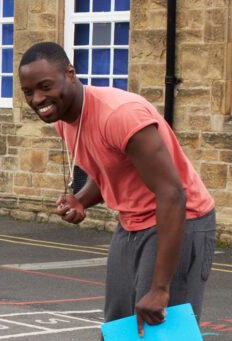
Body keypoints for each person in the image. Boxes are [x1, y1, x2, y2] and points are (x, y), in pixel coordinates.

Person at [18, 41, 217, 335]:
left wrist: (161, 288)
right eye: (28, 92)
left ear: (70, 74)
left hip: (180, 219)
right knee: (119, 327)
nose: (37, 99)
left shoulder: (120, 115)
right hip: (131, 223)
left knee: (160, 330)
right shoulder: (64, 118)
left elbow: (172, 193)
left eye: (45, 86)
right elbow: (111, 168)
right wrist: (82, 201)